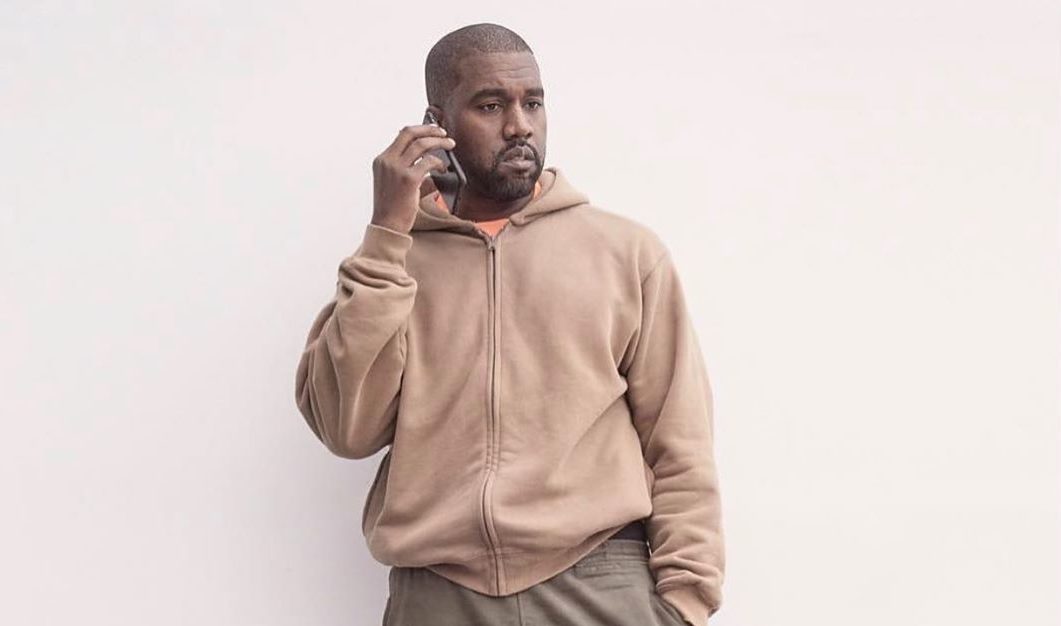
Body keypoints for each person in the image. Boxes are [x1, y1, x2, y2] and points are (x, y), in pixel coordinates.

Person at [294, 23, 724, 626]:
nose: (520, 125)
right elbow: (347, 430)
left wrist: (686, 602)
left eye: (533, 103)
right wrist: (387, 234)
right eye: (491, 106)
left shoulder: (625, 253)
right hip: (439, 595)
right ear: (436, 122)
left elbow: (680, 441)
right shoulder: (391, 264)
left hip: (600, 583)